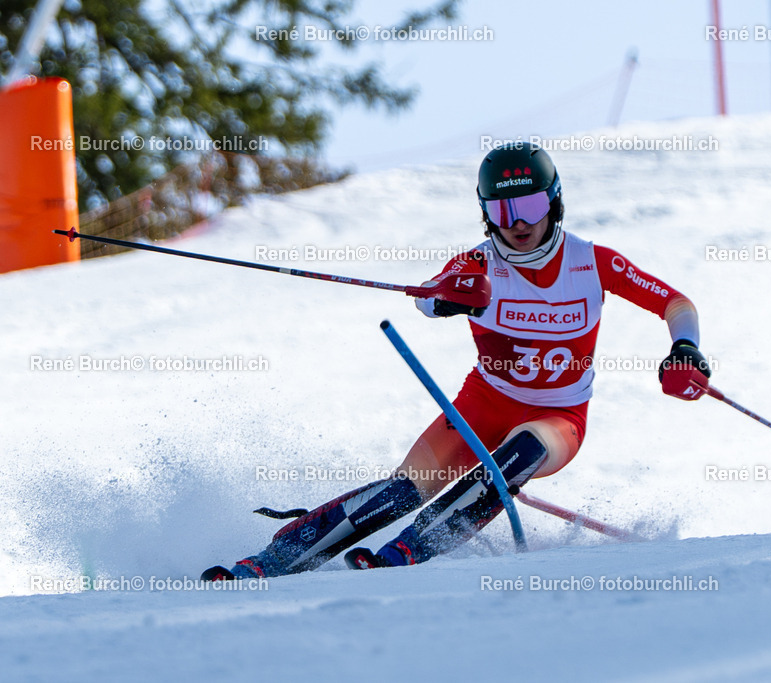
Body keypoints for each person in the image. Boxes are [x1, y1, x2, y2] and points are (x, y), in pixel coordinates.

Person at [203, 143, 710, 581]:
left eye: (530, 205)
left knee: (522, 451)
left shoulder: (592, 262)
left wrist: (684, 348)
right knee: (402, 491)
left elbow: (675, 304)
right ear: (486, 212)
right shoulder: (479, 263)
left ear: (554, 202)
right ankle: (273, 560)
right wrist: (446, 298)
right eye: (503, 210)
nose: (519, 224)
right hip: (482, 406)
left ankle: (409, 551)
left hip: (558, 418)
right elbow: (428, 295)